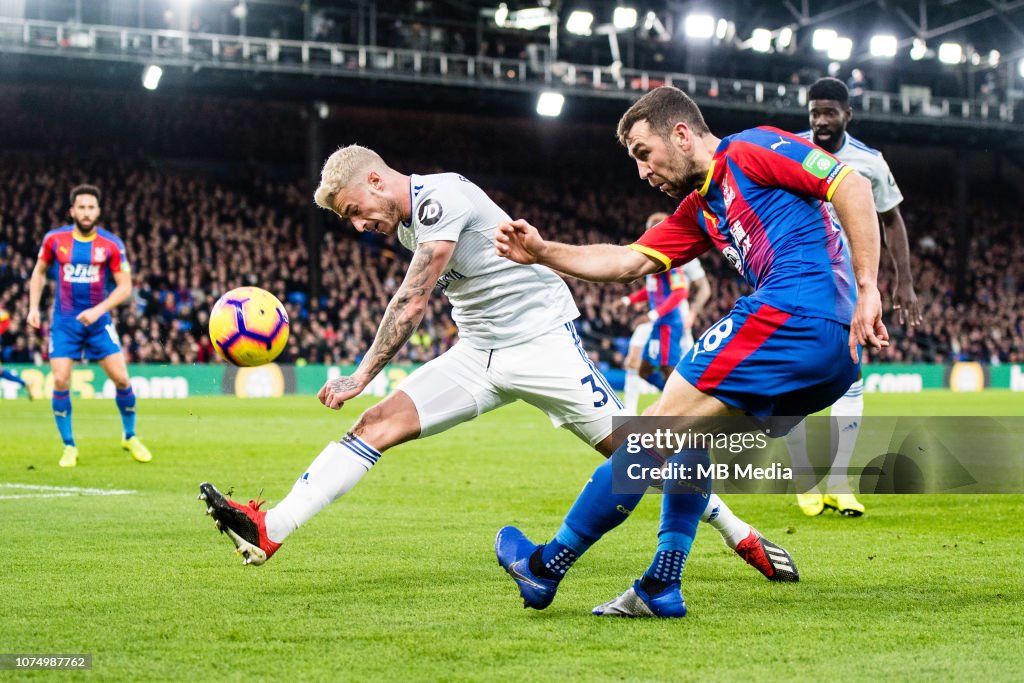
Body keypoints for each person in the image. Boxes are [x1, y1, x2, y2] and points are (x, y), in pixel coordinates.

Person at [197, 144, 796, 585]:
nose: (358, 226)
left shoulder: (441, 197)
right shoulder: (407, 220)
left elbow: (412, 298)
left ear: (377, 180)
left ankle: (738, 533)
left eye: (355, 210)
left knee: (638, 452)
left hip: (543, 347)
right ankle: (271, 530)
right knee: (374, 426)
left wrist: (360, 374)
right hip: (477, 354)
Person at [493, 86, 886, 617]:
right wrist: (542, 252)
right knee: (686, 441)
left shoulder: (751, 149)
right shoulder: (701, 210)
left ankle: (544, 568)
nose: (641, 171)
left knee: (651, 433)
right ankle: (661, 583)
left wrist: (869, 288)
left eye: (642, 152)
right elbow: (628, 261)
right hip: (831, 357)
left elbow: (851, 184)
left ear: (680, 134)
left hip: (792, 313)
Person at [786, 76, 920, 517]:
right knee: (794, 379)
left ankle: (840, 482)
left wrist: (904, 282)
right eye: (814, 113)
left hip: (847, 283)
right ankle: (805, 479)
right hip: (794, 277)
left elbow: (892, 221)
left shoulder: (869, 162)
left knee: (850, 375)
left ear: (848, 115)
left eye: (829, 113)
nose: (821, 122)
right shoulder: (789, 149)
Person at [27, 185, 151, 467]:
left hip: (98, 322)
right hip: (64, 322)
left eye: (91, 207)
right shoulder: (54, 239)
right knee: (60, 380)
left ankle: (130, 436)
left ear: (98, 211)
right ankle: (69, 445)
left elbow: (125, 287)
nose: (86, 212)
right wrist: (33, 308)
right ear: (72, 211)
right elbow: (39, 273)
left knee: (121, 379)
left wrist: (98, 311)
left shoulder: (111, 244)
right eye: (81, 207)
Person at [621, 211, 709, 415]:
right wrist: (629, 300)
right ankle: (641, 409)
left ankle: (683, 406)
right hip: (657, 319)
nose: (650, 233)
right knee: (638, 365)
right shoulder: (648, 257)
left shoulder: (679, 257)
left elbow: (692, 290)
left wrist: (693, 313)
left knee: (679, 369)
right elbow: (651, 289)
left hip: (674, 319)